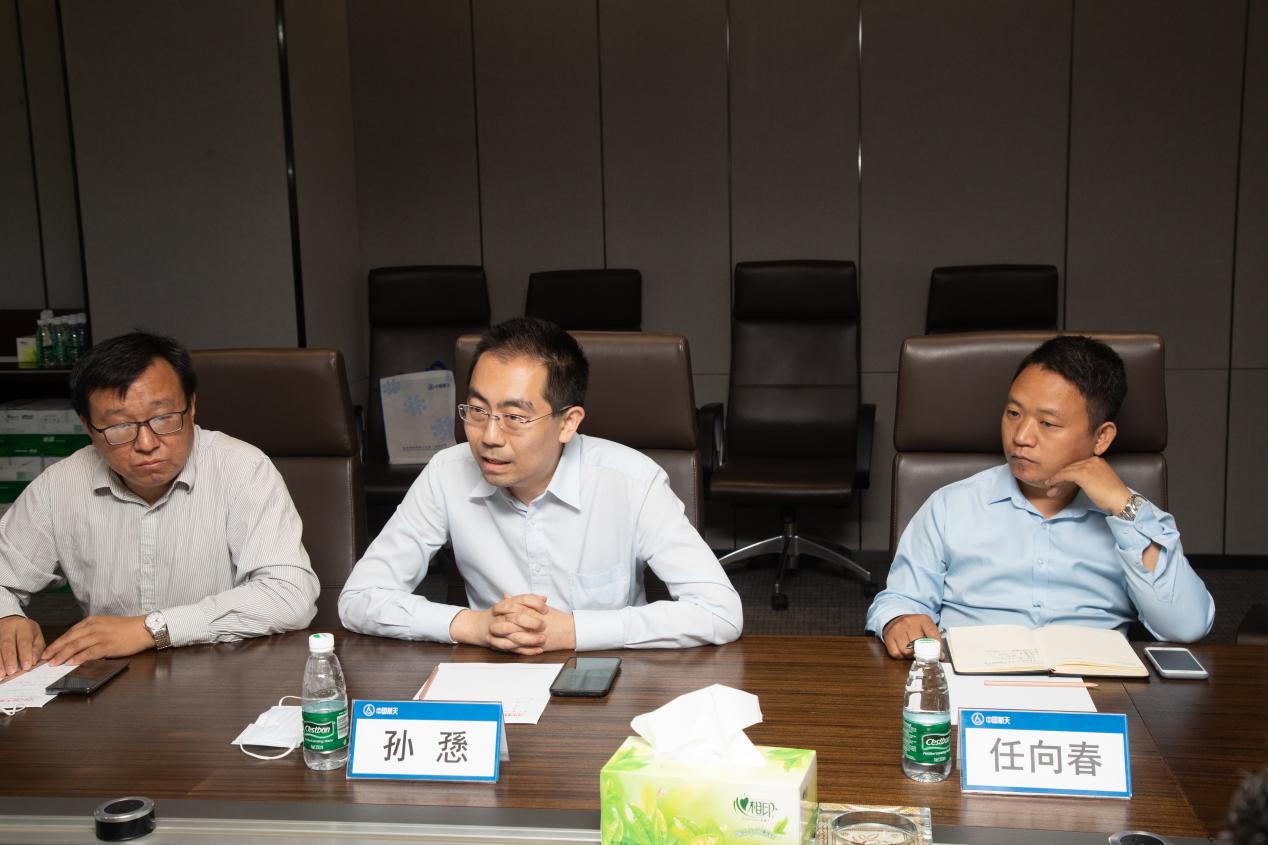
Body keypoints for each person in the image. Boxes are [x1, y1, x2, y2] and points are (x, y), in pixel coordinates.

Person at [339, 317, 742, 653]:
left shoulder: (632, 481)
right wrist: (472, 625)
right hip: (493, 677)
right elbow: (358, 599)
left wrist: (574, 631)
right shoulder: (447, 472)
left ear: (568, 422)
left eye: (515, 417)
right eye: (477, 410)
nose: (489, 437)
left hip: (608, 676)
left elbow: (720, 611)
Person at [866, 334, 1214, 658]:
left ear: (1101, 438)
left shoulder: (1134, 515)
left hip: (1093, 684)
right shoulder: (950, 505)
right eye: (1013, 414)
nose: (1021, 437)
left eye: (1048, 423)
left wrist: (1124, 509)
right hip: (971, 679)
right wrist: (898, 620)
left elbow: (1186, 627)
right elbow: (900, 600)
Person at [0, 331, 319, 677]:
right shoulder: (59, 485)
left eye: (164, 418)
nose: (147, 443)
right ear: (88, 427)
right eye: (120, 425)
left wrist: (152, 628)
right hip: (111, 681)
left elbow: (290, 596)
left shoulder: (243, 469)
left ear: (191, 406)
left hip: (228, 675)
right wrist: (7, 617)